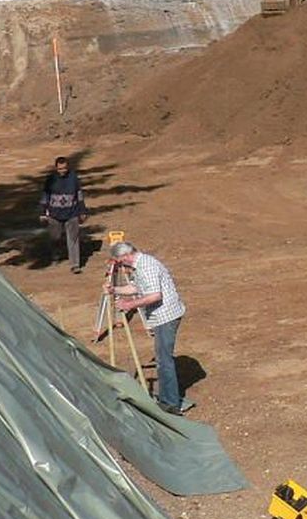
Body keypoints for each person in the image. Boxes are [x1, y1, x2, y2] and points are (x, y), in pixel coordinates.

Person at [109, 241, 195, 415]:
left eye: (119, 260)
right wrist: (114, 289)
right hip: (162, 316)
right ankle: (167, 398)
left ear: (125, 256)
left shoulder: (146, 266)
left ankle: (170, 404)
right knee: (163, 359)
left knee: (164, 360)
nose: (119, 264)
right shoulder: (140, 265)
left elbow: (155, 295)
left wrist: (129, 304)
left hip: (166, 316)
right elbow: (135, 287)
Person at [39, 155, 88, 272]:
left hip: (72, 213)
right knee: (55, 237)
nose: (63, 171)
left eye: (64, 168)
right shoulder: (50, 179)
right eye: (60, 169)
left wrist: (82, 211)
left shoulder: (74, 178)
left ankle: (75, 264)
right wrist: (42, 212)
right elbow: (45, 196)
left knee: (73, 239)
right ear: (56, 168)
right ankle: (56, 256)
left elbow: (79, 195)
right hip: (54, 214)